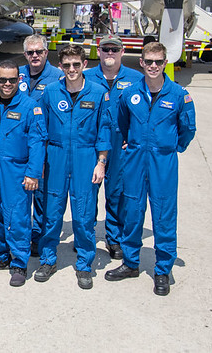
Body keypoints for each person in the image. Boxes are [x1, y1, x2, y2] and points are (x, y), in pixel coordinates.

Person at [105, 42, 196, 296]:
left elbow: (188, 129)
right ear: (141, 63)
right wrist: (132, 144)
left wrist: (170, 147)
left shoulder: (178, 95)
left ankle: (163, 269)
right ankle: (131, 262)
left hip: (163, 162)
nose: (153, 66)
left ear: (165, 63)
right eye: (149, 61)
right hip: (134, 160)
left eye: (158, 61)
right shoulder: (130, 93)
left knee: (164, 214)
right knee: (131, 211)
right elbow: (122, 122)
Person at [36, 44, 111, 290]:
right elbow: (41, 131)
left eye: (76, 64)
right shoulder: (50, 92)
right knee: (52, 214)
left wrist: (101, 163)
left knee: (84, 215)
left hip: (85, 156)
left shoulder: (98, 93)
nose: (71, 69)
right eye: (66, 65)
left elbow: (104, 130)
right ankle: (48, 260)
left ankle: (85, 264)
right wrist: (41, 163)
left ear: (84, 65)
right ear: (60, 66)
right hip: (55, 156)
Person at [0, 60, 46, 288]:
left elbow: (37, 142)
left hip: (17, 171)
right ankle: (1, 255)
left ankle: (19, 263)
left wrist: (33, 173)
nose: (7, 84)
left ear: (19, 80)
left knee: (17, 216)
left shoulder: (30, 107)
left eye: (12, 80)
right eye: (2, 79)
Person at [83, 35, 143, 260]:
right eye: (105, 49)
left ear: (122, 51)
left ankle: (114, 237)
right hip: (93, 141)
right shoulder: (86, 76)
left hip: (120, 142)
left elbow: (141, 112)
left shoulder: (136, 78)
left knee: (117, 192)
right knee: (88, 191)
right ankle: (85, 235)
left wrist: (133, 136)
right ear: (98, 51)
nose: (110, 53)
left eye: (114, 49)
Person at [18, 33, 64, 256]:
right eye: (30, 52)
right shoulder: (17, 75)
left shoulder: (57, 77)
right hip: (20, 145)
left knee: (43, 195)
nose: (34, 56)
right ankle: (22, 234)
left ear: (46, 52)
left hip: (46, 146)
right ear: (25, 54)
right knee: (20, 193)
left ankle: (39, 236)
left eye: (39, 51)